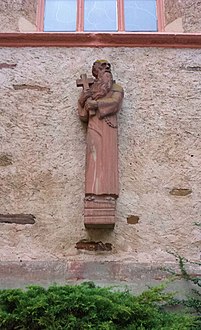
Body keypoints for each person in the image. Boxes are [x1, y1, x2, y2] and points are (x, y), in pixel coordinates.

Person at [78, 60, 124, 198]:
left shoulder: (116, 88)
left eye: (108, 67)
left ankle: (109, 191)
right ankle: (92, 191)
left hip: (109, 127)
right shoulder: (91, 90)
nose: (107, 69)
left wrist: (96, 104)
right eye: (102, 67)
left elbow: (115, 103)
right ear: (96, 72)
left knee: (108, 157)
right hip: (94, 126)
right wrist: (83, 101)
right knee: (94, 156)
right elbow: (83, 114)